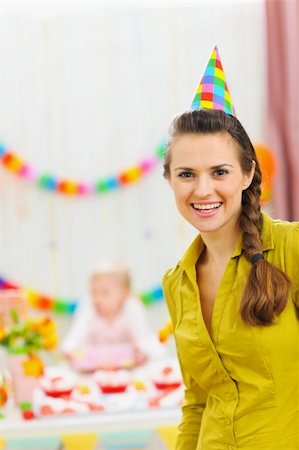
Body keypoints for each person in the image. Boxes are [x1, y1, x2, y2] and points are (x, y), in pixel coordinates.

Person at [162, 47, 299, 450]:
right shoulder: (177, 284)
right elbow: (197, 403)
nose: (202, 190)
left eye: (219, 171)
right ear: (169, 179)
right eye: (187, 174)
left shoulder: (290, 248)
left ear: (247, 173)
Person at [62, 261, 164, 372]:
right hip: (94, 372)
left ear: (124, 294)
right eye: (93, 291)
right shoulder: (88, 306)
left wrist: (143, 353)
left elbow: (145, 338)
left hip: (129, 371)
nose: (97, 298)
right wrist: (69, 351)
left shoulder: (131, 306)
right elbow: (75, 336)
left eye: (104, 293)